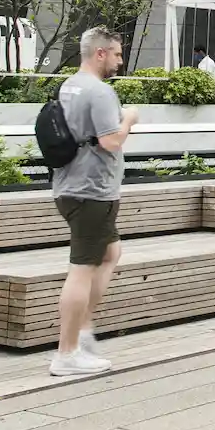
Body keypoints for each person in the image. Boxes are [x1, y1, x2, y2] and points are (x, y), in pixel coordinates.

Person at [49, 26, 139, 377]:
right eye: (116, 54)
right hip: (92, 190)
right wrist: (128, 119)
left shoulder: (68, 85)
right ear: (100, 53)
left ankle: (83, 331)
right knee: (82, 267)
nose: (120, 60)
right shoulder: (100, 92)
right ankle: (67, 351)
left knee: (109, 253)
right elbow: (111, 141)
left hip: (71, 184)